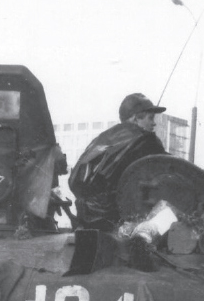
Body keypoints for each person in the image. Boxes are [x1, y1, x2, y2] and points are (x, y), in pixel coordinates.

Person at [68, 93, 167, 230]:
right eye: (150, 118)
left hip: (86, 217)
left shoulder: (102, 138)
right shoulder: (146, 140)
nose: (154, 123)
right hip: (116, 219)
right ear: (135, 118)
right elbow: (172, 167)